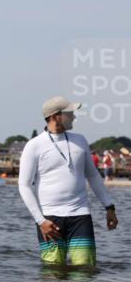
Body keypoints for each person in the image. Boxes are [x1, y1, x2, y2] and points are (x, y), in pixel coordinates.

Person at [18, 96, 119, 267]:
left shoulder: (80, 140)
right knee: (53, 274)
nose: (74, 116)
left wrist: (109, 207)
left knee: (85, 270)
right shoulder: (34, 145)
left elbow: (93, 176)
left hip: (80, 216)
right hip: (49, 219)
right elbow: (24, 185)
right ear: (56, 116)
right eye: (69, 113)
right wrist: (40, 221)